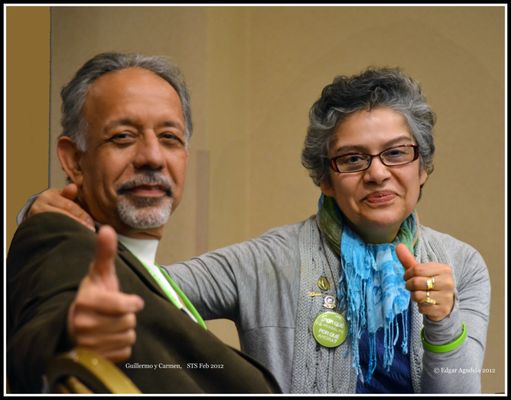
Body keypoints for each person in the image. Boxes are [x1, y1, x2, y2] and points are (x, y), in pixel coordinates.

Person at [18, 67, 491, 393]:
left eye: (396, 152)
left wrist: (442, 321)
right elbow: (140, 292)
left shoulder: (462, 264)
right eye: (352, 159)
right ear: (324, 179)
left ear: (422, 166)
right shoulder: (269, 259)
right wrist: (53, 223)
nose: (377, 173)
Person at [6, 52, 280, 394]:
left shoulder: (153, 277)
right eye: (123, 136)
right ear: (74, 159)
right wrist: (71, 335)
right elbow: (33, 342)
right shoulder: (57, 235)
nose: (152, 156)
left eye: (169, 138)